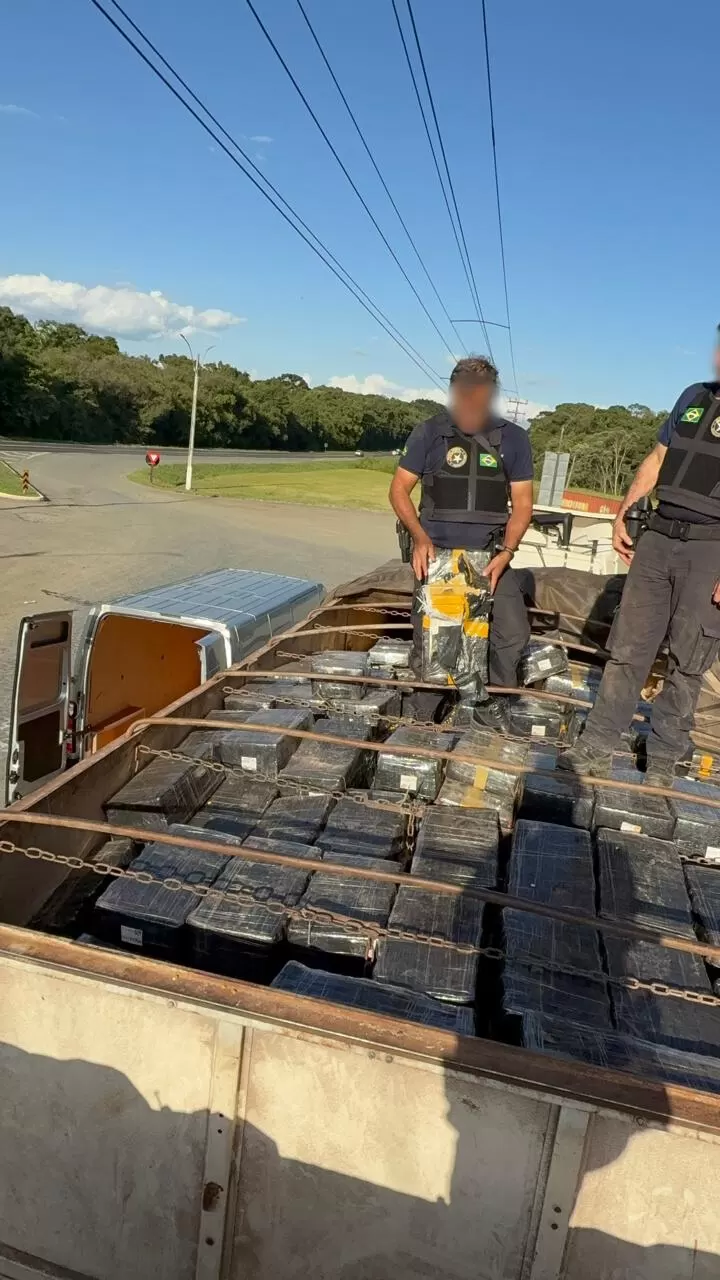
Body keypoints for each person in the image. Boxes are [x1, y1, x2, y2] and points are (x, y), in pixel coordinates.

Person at [560, 327, 720, 785]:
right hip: (658, 538)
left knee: (689, 660)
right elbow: (656, 457)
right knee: (628, 650)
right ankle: (596, 745)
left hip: (712, 549)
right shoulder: (693, 396)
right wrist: (623, 512)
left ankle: (664, 758)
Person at [389, 355, 534, 729]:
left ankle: (492, 707)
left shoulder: (514, 440)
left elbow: (522, 505)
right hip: (437, 556)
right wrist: (419, 538)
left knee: (513, 635)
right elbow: (399, 490)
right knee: (436, 643)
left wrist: (507, 553)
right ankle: (425, 720)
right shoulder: (429, 432)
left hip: (490, 558)